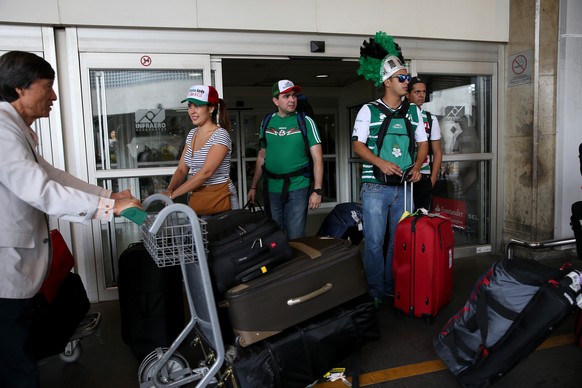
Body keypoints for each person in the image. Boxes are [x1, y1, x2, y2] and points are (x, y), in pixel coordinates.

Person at [0, 50, 141, 388]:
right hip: (5, 272)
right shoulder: (2, 131)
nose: (54, 95)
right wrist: (108, 210)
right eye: (47, 86)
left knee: (18, 353)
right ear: (20, 88)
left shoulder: (15, 129)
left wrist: (109, 197)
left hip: (17, 269)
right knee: (15, 366)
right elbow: (40, 189)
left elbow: (54, 176)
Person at [351, 32, 428, 307]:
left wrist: (418, 166)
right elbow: (357, 146)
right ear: (387, 81)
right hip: (375, 187)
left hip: (405, 187)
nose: (407, 82)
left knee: (398, 242)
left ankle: (391, 286)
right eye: (402, 78)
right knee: (373, 242)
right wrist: (380, 162)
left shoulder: (414, 112)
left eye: (408, 77)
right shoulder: (367, 111)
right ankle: (374, 290)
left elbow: (423, 144)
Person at [246, 80, 324, 239]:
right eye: (286, 96)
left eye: (294, 96)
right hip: (272, 187)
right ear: (275, 101)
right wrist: (253, 187)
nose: (292, 100)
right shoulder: (267, 122)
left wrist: (317, 190)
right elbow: (262, 155)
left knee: (295, 236)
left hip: (298, 186)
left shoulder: (305, 121)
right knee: (274, 236)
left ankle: (297, 265)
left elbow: (318, 158)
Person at [164, 85, 239, 212]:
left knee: (218, 232)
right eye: (190, 106)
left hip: (220, 200)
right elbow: (182, 170)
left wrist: (173, 194)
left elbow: (206, 173)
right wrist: (169, 189)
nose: (192, 111)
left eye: (197, 106)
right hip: (199, 198)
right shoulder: (192, 134)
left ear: (211, 108)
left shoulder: (220, 135)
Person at [406, 76, 443, 211]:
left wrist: (432, 180)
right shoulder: (399, 115)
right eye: (417, 92)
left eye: (423, 92)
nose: (421, 95)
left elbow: (437, 151)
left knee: (421, 221)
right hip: (402, 175)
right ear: (407, 94)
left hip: (423, 176)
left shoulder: (430, 118)